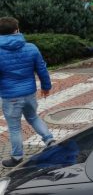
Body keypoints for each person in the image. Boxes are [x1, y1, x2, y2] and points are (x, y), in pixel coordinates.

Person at [0, 17, 55, 168]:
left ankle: (17, 157)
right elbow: (42, 69)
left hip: (10, 96)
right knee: (33, 117)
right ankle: (49, 139)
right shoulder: (31, 47)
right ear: (16, 30)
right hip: (29, 92)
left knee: (14, 127)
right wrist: (46, 87)